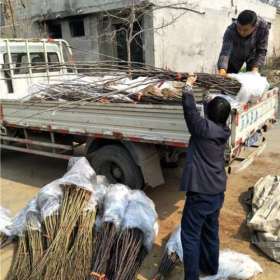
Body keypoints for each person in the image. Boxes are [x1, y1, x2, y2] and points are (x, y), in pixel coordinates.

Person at [180, 74, 231, 280]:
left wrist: (188, 87)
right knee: (210, 232)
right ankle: (211, 268)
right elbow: (207, 112)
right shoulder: (222, 130)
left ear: (209, 115)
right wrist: (207, 93)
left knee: (190, 236)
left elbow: (190, 112)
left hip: (200, 193)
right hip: (217, 193)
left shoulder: (202, 128)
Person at [218, 10, 270, 75]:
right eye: (239, 28)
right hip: (236, 55)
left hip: (253, 55)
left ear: (254, 27)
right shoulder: (231, 29)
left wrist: (255, 69)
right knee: (227, 77)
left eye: (245, 30)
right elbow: (225, 52)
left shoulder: (263, 27)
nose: (241, 32)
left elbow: (261, 50)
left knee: (253, 77)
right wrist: (222, 70)